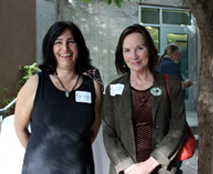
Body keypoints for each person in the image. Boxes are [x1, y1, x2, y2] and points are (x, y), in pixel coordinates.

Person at [14, 21, 103, 174]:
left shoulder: (93, 87)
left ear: (79, 47)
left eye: (71, 42)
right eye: (58, 42)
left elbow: (93, 131)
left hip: (80, 170)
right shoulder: (35, 84)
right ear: (50, 47)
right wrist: (41, 156)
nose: (65, 48)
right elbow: (20, 128)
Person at [102, 24, 187, 174]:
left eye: (139, 48)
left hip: (161, 169)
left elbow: (177, 129)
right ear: (121, 55)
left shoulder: (171, 84)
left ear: (149, 50)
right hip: (125, 171)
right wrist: (128, 167)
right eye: (127, 50)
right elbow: (109, 133)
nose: (133, 56)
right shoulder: (112, 89)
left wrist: (148, 165)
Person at [156, 43, 193, 174]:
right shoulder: (171, 66)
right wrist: (188, 83)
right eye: (180, 55)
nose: (181, 58)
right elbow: (178, 86)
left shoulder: (160, 65)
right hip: (172, 109)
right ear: (175, 54)